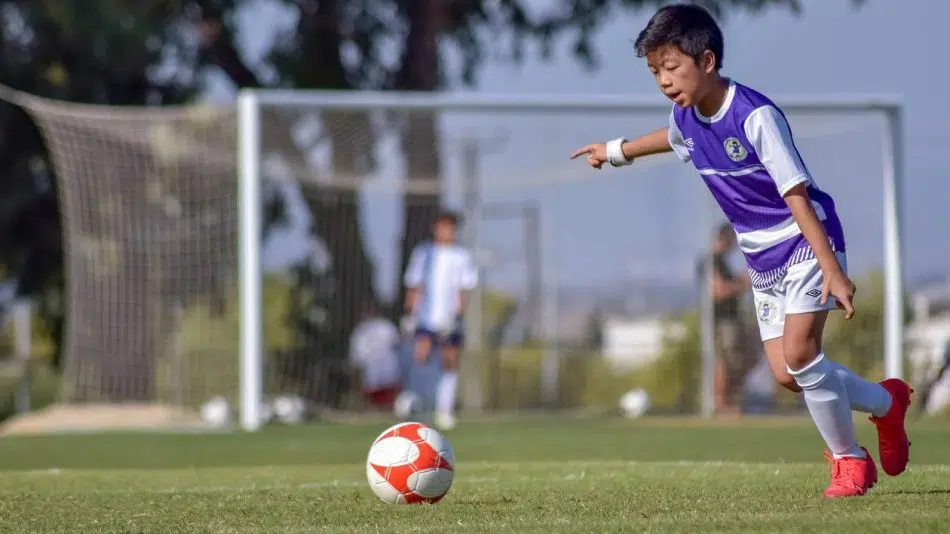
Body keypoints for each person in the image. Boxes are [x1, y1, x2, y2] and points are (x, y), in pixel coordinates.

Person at [569, 3, 911, 498]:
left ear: (706, 62)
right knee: (788, 374)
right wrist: (615, 150)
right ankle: (886, 402)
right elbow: (671, 137)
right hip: (760, 258)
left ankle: (850, 462)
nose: (663, 81)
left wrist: (832, 270)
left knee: (801, 353)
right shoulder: (685, 117)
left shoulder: (755, 116)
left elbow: (796, 194)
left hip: (803, 241)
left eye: (671, 67)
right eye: (654, 71)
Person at [403, 210, 478, 430]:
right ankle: (418, 405)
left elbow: (464, 290)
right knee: (421, 358)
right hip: (426, 317)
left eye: (450, 228)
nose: (446, 232)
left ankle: (444, 410)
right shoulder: (423, 253)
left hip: (449, 319)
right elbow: (415, 285)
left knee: (450, 361)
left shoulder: (461, 256)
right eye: (442, 226)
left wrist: (457, 317)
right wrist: (409, 314)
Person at [702, 222, 756, 416]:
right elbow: (717, 291)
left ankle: (730, 400)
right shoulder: (712, 261)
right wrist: (742, 284)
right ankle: (721, 403)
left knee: (741, 358)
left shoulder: (722, 262)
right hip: (722, 321)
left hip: (732, 319)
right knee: (724, 361)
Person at [348, 303, 402, 411]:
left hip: (389, 374)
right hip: (373, 376)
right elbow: (357, 358)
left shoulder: (385, 326)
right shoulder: (361, 331)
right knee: (375, 407)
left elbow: (398, 347)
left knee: (389, 406)